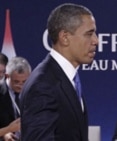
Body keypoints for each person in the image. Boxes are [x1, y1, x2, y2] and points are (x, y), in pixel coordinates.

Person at [20, 3, 98, 141]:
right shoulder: (43, 84)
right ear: (65, 37)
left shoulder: (66, 78)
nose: (96, 41)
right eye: (89, 34)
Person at [0, 56, 31, 141]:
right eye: (16, 81)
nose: (20, 85)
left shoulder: (35, 92)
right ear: (7, 76)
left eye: (24, 81)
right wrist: (4, 133)